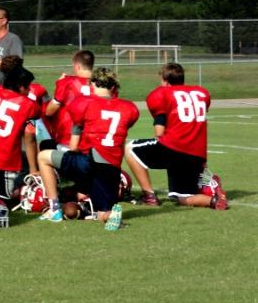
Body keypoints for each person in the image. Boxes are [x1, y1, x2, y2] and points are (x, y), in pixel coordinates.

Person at [37, 68, 139, 229]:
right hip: (112, 167)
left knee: (43, 157)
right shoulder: (129, 107)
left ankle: (55, 208)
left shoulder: (83, 102)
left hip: (89, 159)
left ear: (92, 84)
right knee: (101, 213)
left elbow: (74, 144)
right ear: (113, 87)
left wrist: (74, 153)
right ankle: (110, 215)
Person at [125, 63, 226, 210]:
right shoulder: (201, 92)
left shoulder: (162, 93)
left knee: (130, 148)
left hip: (174, 148)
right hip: (197, 154)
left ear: (165, 80)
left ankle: (149, 196)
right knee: (183, 197)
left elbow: (159, 131)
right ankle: (214, 200)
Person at [0, 64, 41, 206]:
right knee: (3, 202)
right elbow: (29, 138)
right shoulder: (29, 105)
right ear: (20, 86)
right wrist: (34, 169)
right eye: (27, 87)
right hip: (4, 159)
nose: (29, 91)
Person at [42, 50, 94, 150]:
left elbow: (49, 111)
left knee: (44, 153)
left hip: (67, 138)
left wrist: (59, 85)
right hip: (93, 142)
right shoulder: (102, 85)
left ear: (78, 66)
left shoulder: (67, 82)